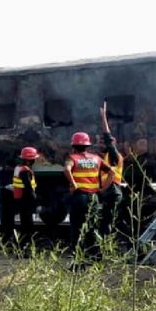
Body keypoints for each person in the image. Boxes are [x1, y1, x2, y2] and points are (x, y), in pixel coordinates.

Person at [63, 132, 114, 257]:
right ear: (88, 146)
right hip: (94, 197)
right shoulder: (96, 158)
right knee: (92, 226)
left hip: (80, 197)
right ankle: (96, 256)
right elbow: (112, 172)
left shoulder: (72, 158)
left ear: (73, 146)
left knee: (76, 228)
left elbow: (66, 169)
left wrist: (74, 184)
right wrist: (103, 189)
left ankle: (78, 260)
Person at [99, 101, 124, 248]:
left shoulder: (113, 154)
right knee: (111, 221)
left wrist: (103, 118)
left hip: (112, 190)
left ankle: (105, 249)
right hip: (112, 190)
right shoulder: (108, 156)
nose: (102, 144)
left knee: (106, 222)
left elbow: (111, 175)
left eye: (104, 143)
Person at [8, 147, 40, 245]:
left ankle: (22, 248)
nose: (35, 160)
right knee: (28, 226)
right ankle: (24, 247)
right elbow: (29, 188)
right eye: (34, 158)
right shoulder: (25, 171)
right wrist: (36, 202)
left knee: (24, 225)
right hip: (25, 200)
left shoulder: (18, 168)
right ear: (29, 160)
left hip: (20, 199)